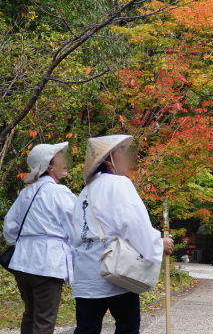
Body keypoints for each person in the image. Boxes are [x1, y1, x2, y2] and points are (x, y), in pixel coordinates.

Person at [71, 134, 174, 334]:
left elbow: (75, 232)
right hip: (116, 271)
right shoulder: (119, 184)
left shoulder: (86, 192)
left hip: (86, 273)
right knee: (127, 327)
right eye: (122, 153)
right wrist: (157, 244)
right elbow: (134, 224)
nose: (127, 158)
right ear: (108, 158)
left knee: (86, 329)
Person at [3, 142, 76, 334]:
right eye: (60, 156)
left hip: (21, 263)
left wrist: (28, 242)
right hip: (47, 263)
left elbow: (10, 229)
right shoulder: (59, 192)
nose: (65, 160)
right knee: (44, 320)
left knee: (31, 315)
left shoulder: (26, 193)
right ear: (49, 165)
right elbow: (78, 226)